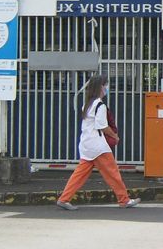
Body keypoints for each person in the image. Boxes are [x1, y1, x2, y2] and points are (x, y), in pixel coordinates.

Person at [56, 74, 139, 210]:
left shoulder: (87, 105)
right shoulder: (100, 106)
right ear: (101, 87)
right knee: (113, 173)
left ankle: (64, 198)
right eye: (105, 85)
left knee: (79, 175)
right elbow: (102, 126)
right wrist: (115, 136)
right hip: (98, 146)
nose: (107, 88)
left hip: (86, 144)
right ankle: (124, 200)